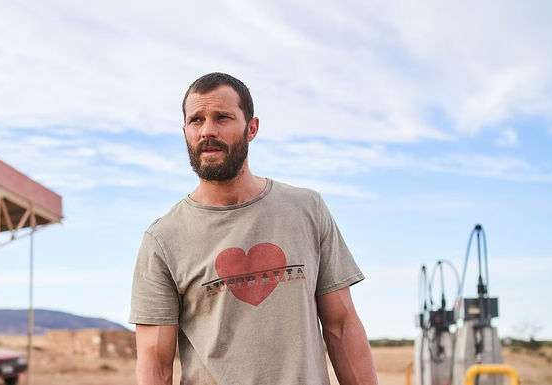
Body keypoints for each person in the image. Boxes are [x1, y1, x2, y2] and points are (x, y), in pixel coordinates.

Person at [129, 72, 378, 385]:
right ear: (185, 133)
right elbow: (154, 364)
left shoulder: (306, 209)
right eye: (196, 120)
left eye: (222, 118)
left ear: (252, 128)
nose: (208, 130)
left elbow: (341, 326)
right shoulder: (163, 239)